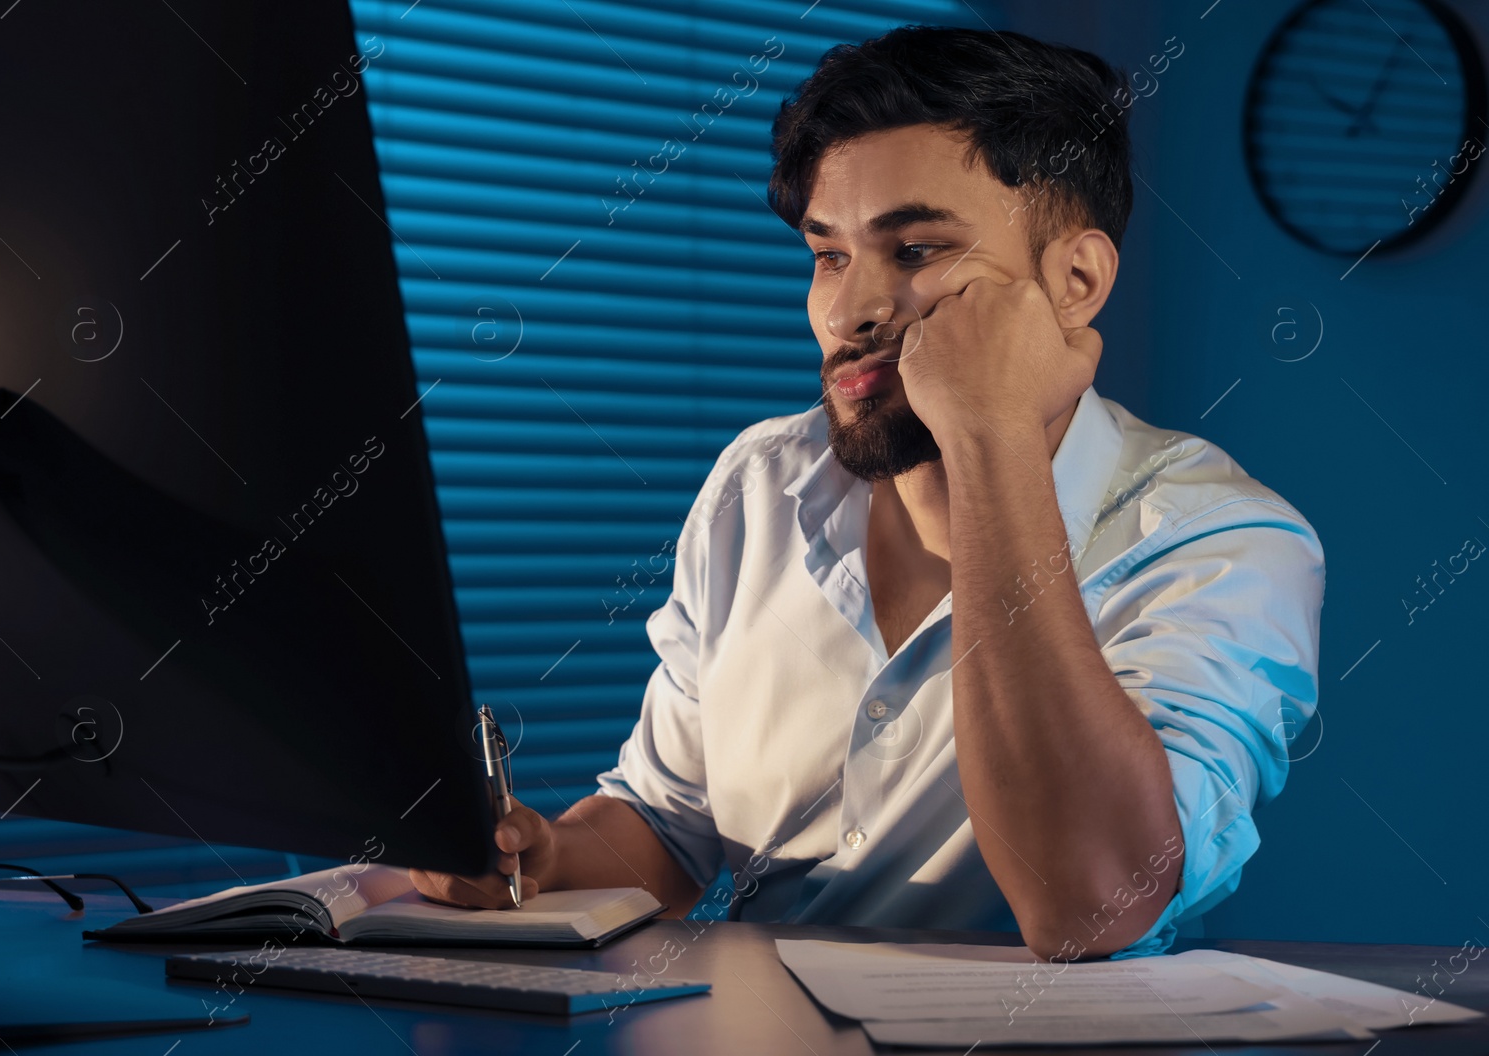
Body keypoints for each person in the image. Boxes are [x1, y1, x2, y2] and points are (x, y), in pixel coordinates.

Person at [410, 25, 1324, 960]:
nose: (849, 314)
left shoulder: (1223, 541)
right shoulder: (759, 485)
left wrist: (992, 435)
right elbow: (672, 822)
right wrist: (542, 860)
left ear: (1075, 280)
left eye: (917, 249)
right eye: (830, 256)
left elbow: (1093, 904)